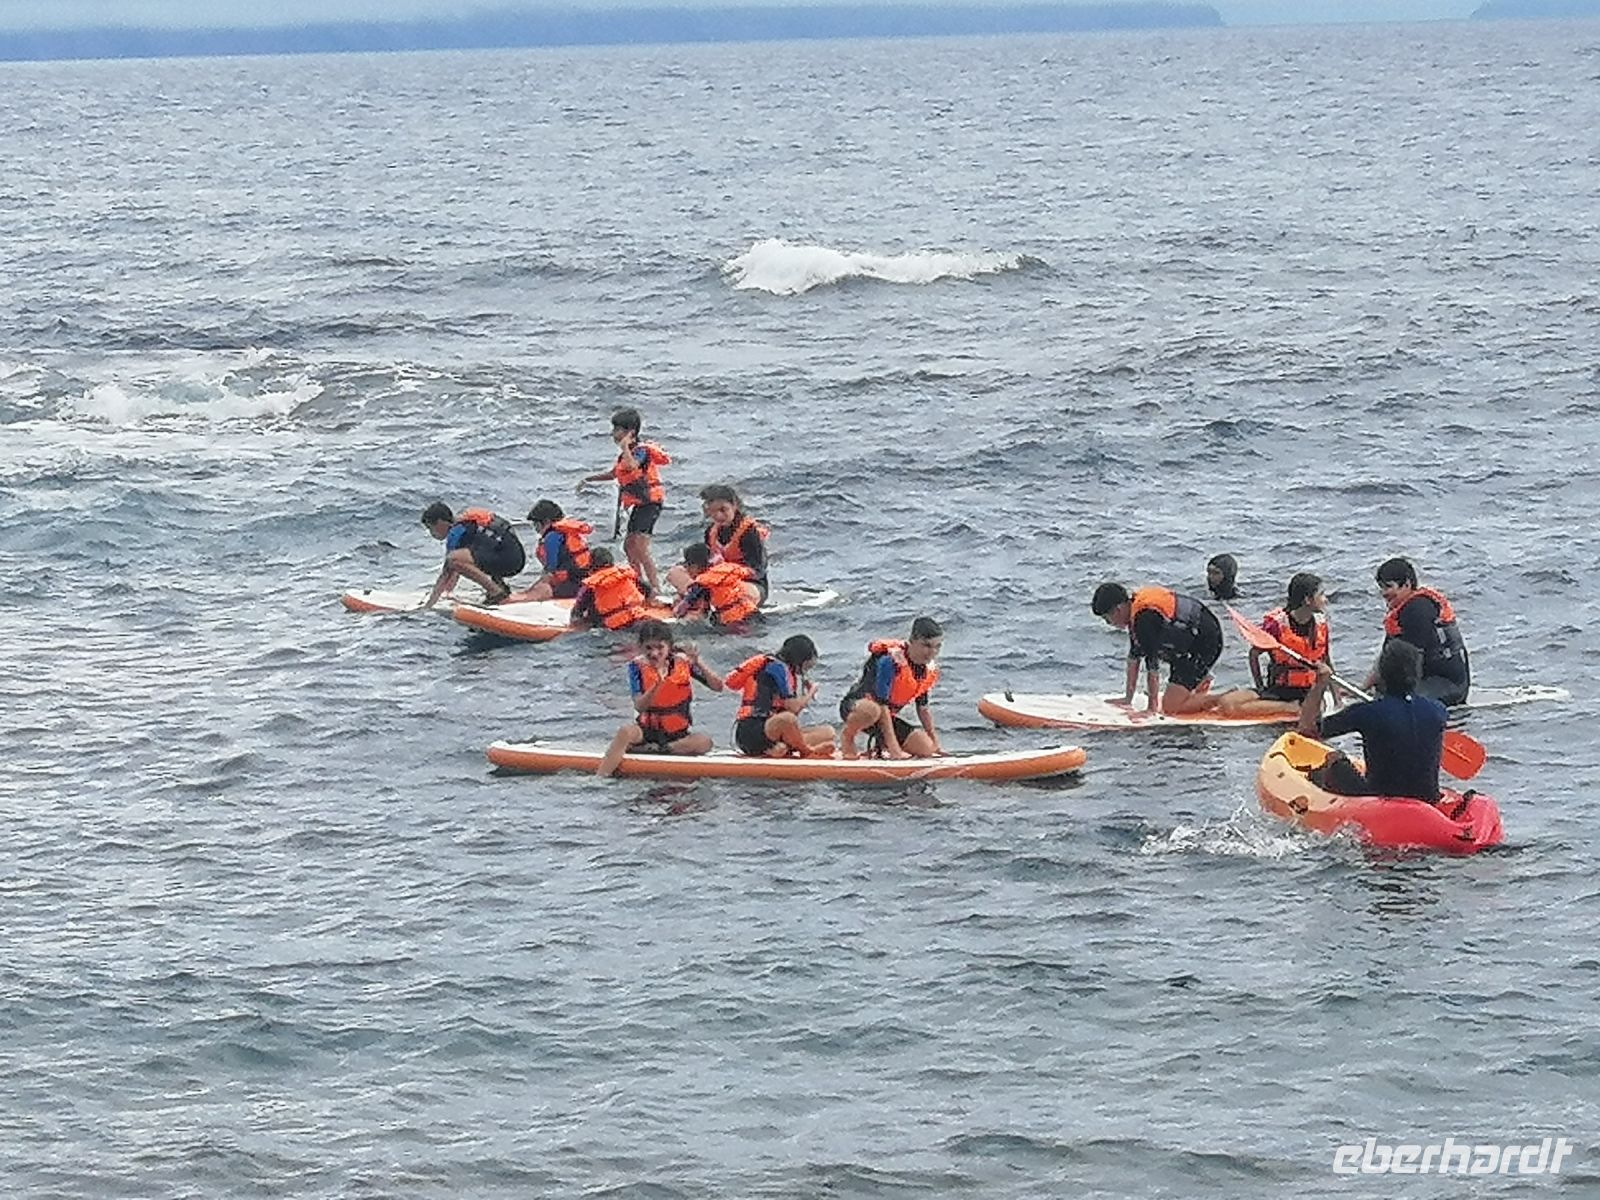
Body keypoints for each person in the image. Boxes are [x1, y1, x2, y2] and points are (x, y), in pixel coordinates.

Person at [1297, 641, 1446, 801]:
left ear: (1381, 674)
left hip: (1379, 798)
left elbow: (1307, 730)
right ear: (1418, 674)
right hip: (1428, 799)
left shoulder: (1367, 712)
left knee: (1334, 758)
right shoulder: (1438, 710)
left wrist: (1320, 683)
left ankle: (1314, 798)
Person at [595, 620, 724, 776]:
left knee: (705, 742)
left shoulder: (683, 663)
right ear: (641, 647)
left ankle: (659, 751)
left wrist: (699, 663)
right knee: (625, 732)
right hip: (647, 730)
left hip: (677, 734)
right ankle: (600, 777)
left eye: (660, 648)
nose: (654, 653)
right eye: (648, 648)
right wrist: (657, 685)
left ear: (669, 647)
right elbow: (639, 706)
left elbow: (718, 687)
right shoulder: (636, 667)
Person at [1216, 572, 1339, 718]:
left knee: (1233, 709)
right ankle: (1289, 707)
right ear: (1307, 599)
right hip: (1278, 689)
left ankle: (1294, 707)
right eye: (1321, 594)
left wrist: (1338, 701)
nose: (1325, 600)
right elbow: (1254, 654)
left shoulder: (1320, 625)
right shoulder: (1276, 625)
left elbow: (1327, 662)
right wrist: (1260, 687)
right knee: (1226, 703)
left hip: (1309, 693)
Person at [1092, 583, 1223, 716]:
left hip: (1206, 642)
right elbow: (1134, 658)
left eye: (1107, 619)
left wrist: (1151, 708)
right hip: (1190, 640)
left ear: (1118, 610)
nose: (1109, 624)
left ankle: (1225, 698)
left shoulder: (1144, 619)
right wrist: (1127, 699)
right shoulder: (1135, 611)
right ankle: (1200, 680)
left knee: (1171, 708)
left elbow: (1152, 665)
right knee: (1157, 651)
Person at [578, 407, 669, 596]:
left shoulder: (640, 451)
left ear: (630, 432)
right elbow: (615, 473)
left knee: (640, 548)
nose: (612, 434)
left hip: (650, 503)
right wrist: (589, 479)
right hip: (641, 504)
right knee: (629, 546)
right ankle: (639, 585)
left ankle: (655, 589)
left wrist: (625, 446)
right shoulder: (626, 454)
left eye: (616, 429)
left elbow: (632, 465)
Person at [1366, 557, 1470, 706]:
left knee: (1394, 701)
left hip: (1448, 684)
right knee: (1383, 691)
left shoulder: (1418, 609)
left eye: (1388, 587)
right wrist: (1364, 687)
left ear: (1407, 584)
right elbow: (1386, 656)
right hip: (1428, 679)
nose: (1383, 593)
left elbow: (1414, 661)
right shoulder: (1401, 610)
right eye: (1381, 587)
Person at [838, 616, 944, 759]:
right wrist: (894, 747)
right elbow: (882, 705)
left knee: (926, 748)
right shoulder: (889, 662)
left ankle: (880, 746)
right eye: (926, 645)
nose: (932, 652)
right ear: (912, 641)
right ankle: (847, 737)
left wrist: (935, 744)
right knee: (872, 710)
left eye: (937, 647)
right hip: (858, 708)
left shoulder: (927, 671)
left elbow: (923, 709)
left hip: (884, 717)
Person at [726, 635, 836, 758]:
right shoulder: (777, 668)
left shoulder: (787, 672)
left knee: (828, 732)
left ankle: (778, 749)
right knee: (788, 718)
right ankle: (807, 752)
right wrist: (811, 692)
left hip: (772, 733)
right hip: (752, 731)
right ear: (799, 660)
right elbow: (792, 709)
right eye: (806, 666)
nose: (805, 671)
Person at [664, 484, 769, 602]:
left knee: (730, 590)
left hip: (750, 585)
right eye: (713, 511)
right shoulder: (710, 532)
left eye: (723, 510)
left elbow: (758, 571)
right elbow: (704, 564)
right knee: (675, 572)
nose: (718, 515)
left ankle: (701, 599)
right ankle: (697, 598)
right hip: (715, 581)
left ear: (734, 506)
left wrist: (730, 573)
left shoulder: (750, 532)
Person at [420, 502, 525, 608]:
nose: (431, 533)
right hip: (516, 557)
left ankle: (496, 593)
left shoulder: (456, 532)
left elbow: (448, 571)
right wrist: (447, 592)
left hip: (508, 560)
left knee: (453, 559)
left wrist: (429, 605)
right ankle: (500, 586)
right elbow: (457, 570)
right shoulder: (467, 524)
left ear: (440, 522)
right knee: (474, 553)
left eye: (430, 527)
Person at [672, 543, 761, 626]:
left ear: (695, 566)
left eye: (687, 566)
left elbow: (688, 602)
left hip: (736, 619)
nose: (687, 570)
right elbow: (751, 573)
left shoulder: (703, 582)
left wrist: (677, 613)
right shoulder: (725, 569)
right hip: (750, 610)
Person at [523, 499, 593, 601]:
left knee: (541, 590)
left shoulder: (551, 537)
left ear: (546, 522)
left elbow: (550, 571)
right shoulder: (566, 533)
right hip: (584, 582)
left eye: (536, 524)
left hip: (574, 585)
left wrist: (532, 590)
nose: (536, 529)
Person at [570, 547, 652, 631]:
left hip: (613, 627)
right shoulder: (624, 574)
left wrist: (576, 623)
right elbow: (648, 589)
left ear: (591, 564)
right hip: (638, 618)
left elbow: (577, 611)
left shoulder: (591, 585)